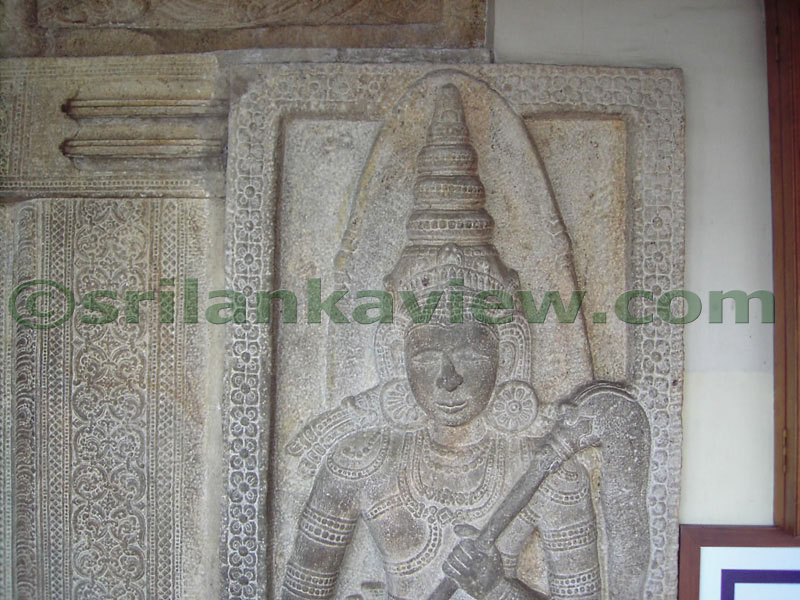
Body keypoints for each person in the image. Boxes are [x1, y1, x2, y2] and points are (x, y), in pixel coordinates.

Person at [281, 84, 646, 600]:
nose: (447, 379)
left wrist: (499, 589)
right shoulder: (358, 462)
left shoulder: (549, 477)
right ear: (396, 356)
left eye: (469, 353)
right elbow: (300, 589)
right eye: (426, 356)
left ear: (508, 353)